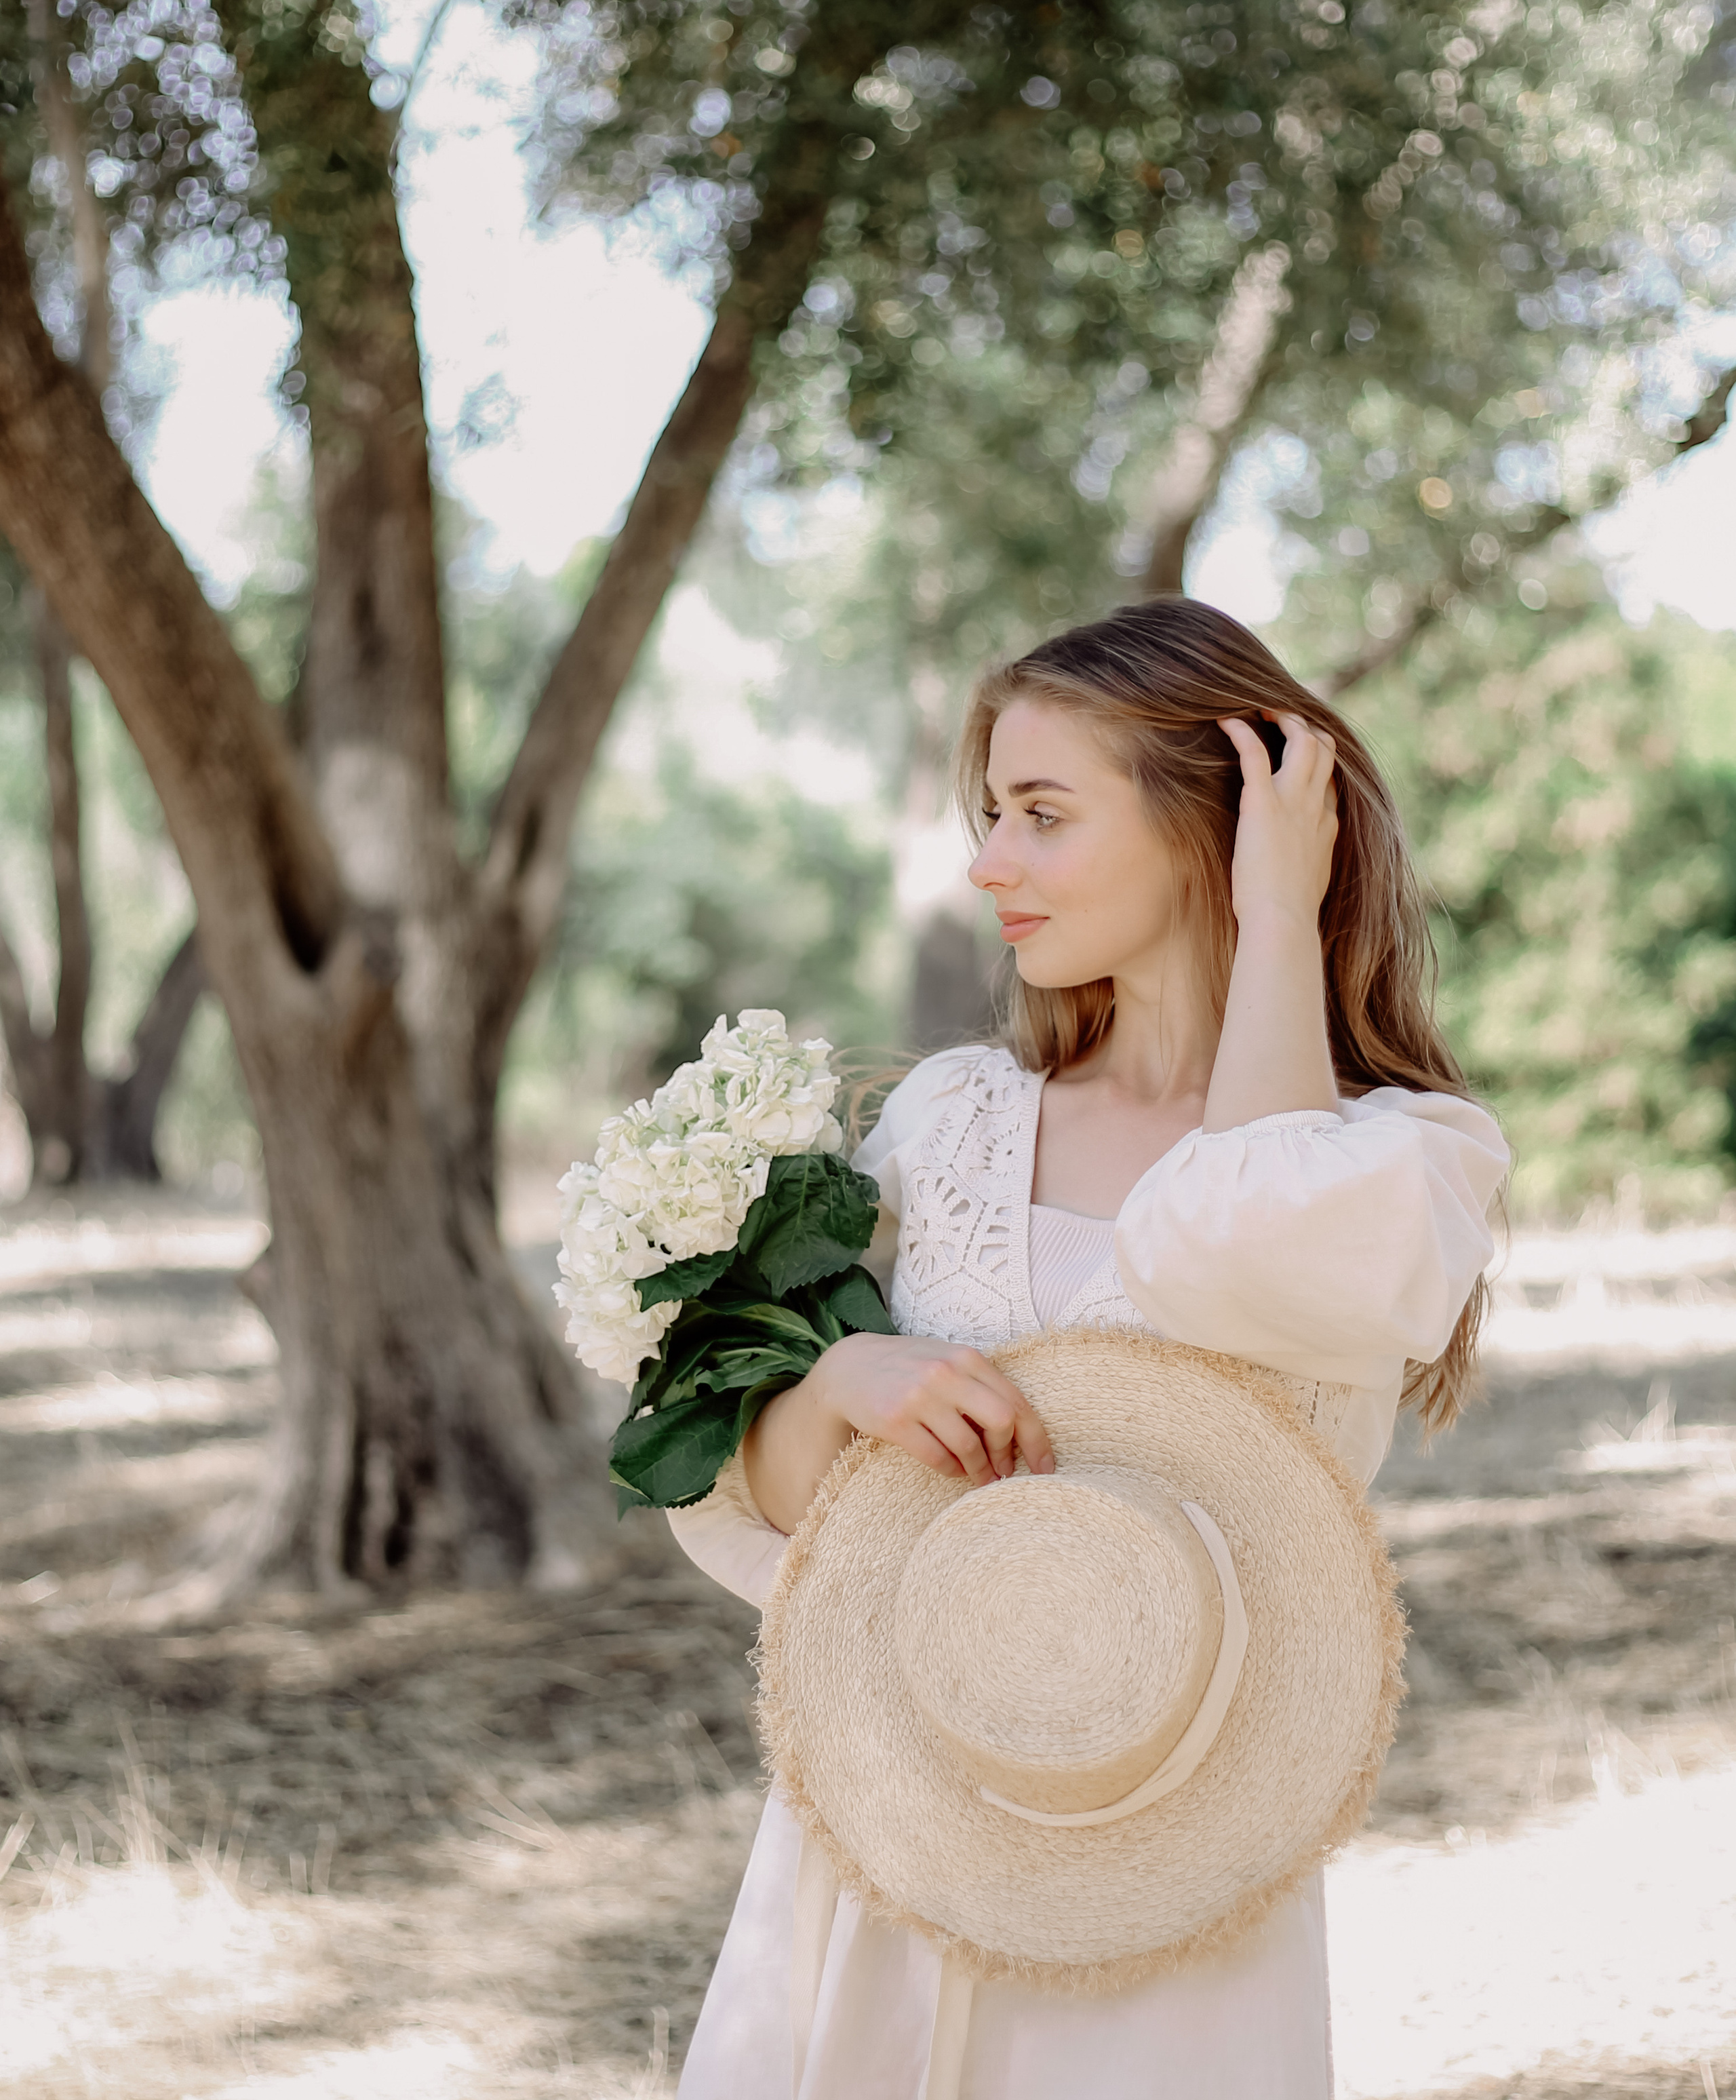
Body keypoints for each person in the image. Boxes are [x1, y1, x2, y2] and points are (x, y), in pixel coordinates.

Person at [665, 597, 1510, 2099]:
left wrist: (1270, 922)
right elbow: (790, 1512)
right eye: (992, 813)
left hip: (1178, 1865)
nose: (990, 862)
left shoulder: (1398, 1170)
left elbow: (1239, 1227)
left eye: (1042, 815)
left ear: (1221, 823)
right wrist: (839, 1382)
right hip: (901, 1818)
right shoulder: (953, 1116)